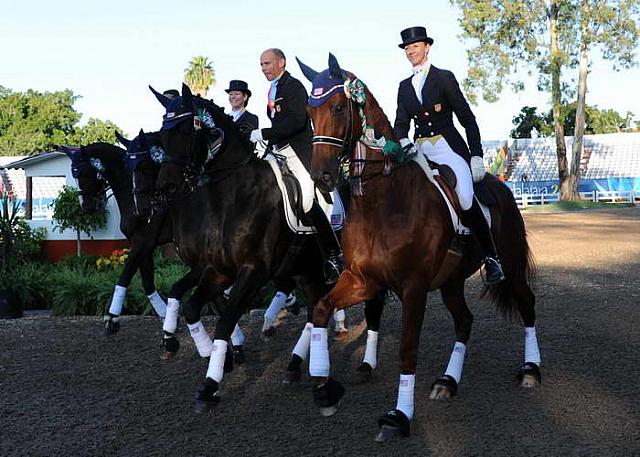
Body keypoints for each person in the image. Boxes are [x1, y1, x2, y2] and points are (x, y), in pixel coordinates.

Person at [393, 26, 504, 284]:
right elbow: (400, 123)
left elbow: (467, 119)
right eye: (407, 48)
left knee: (465, 196)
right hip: (419, 149)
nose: (411, 50)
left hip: (448, 146)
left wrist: (475, 155)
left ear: (427, 47)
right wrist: (403, 140)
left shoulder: (444, 78)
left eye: (415, 46)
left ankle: (491, 257)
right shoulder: (404, 87)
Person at [249, 48, 343, 284]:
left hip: (299, 151)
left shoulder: (294, 86)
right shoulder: (273, 89)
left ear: (281, 63)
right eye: (261, 65)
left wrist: (264, 132)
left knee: (308, 198)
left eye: (267, 63)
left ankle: (334, 254)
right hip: (279, 150)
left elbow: (296, 121)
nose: (263, 68)